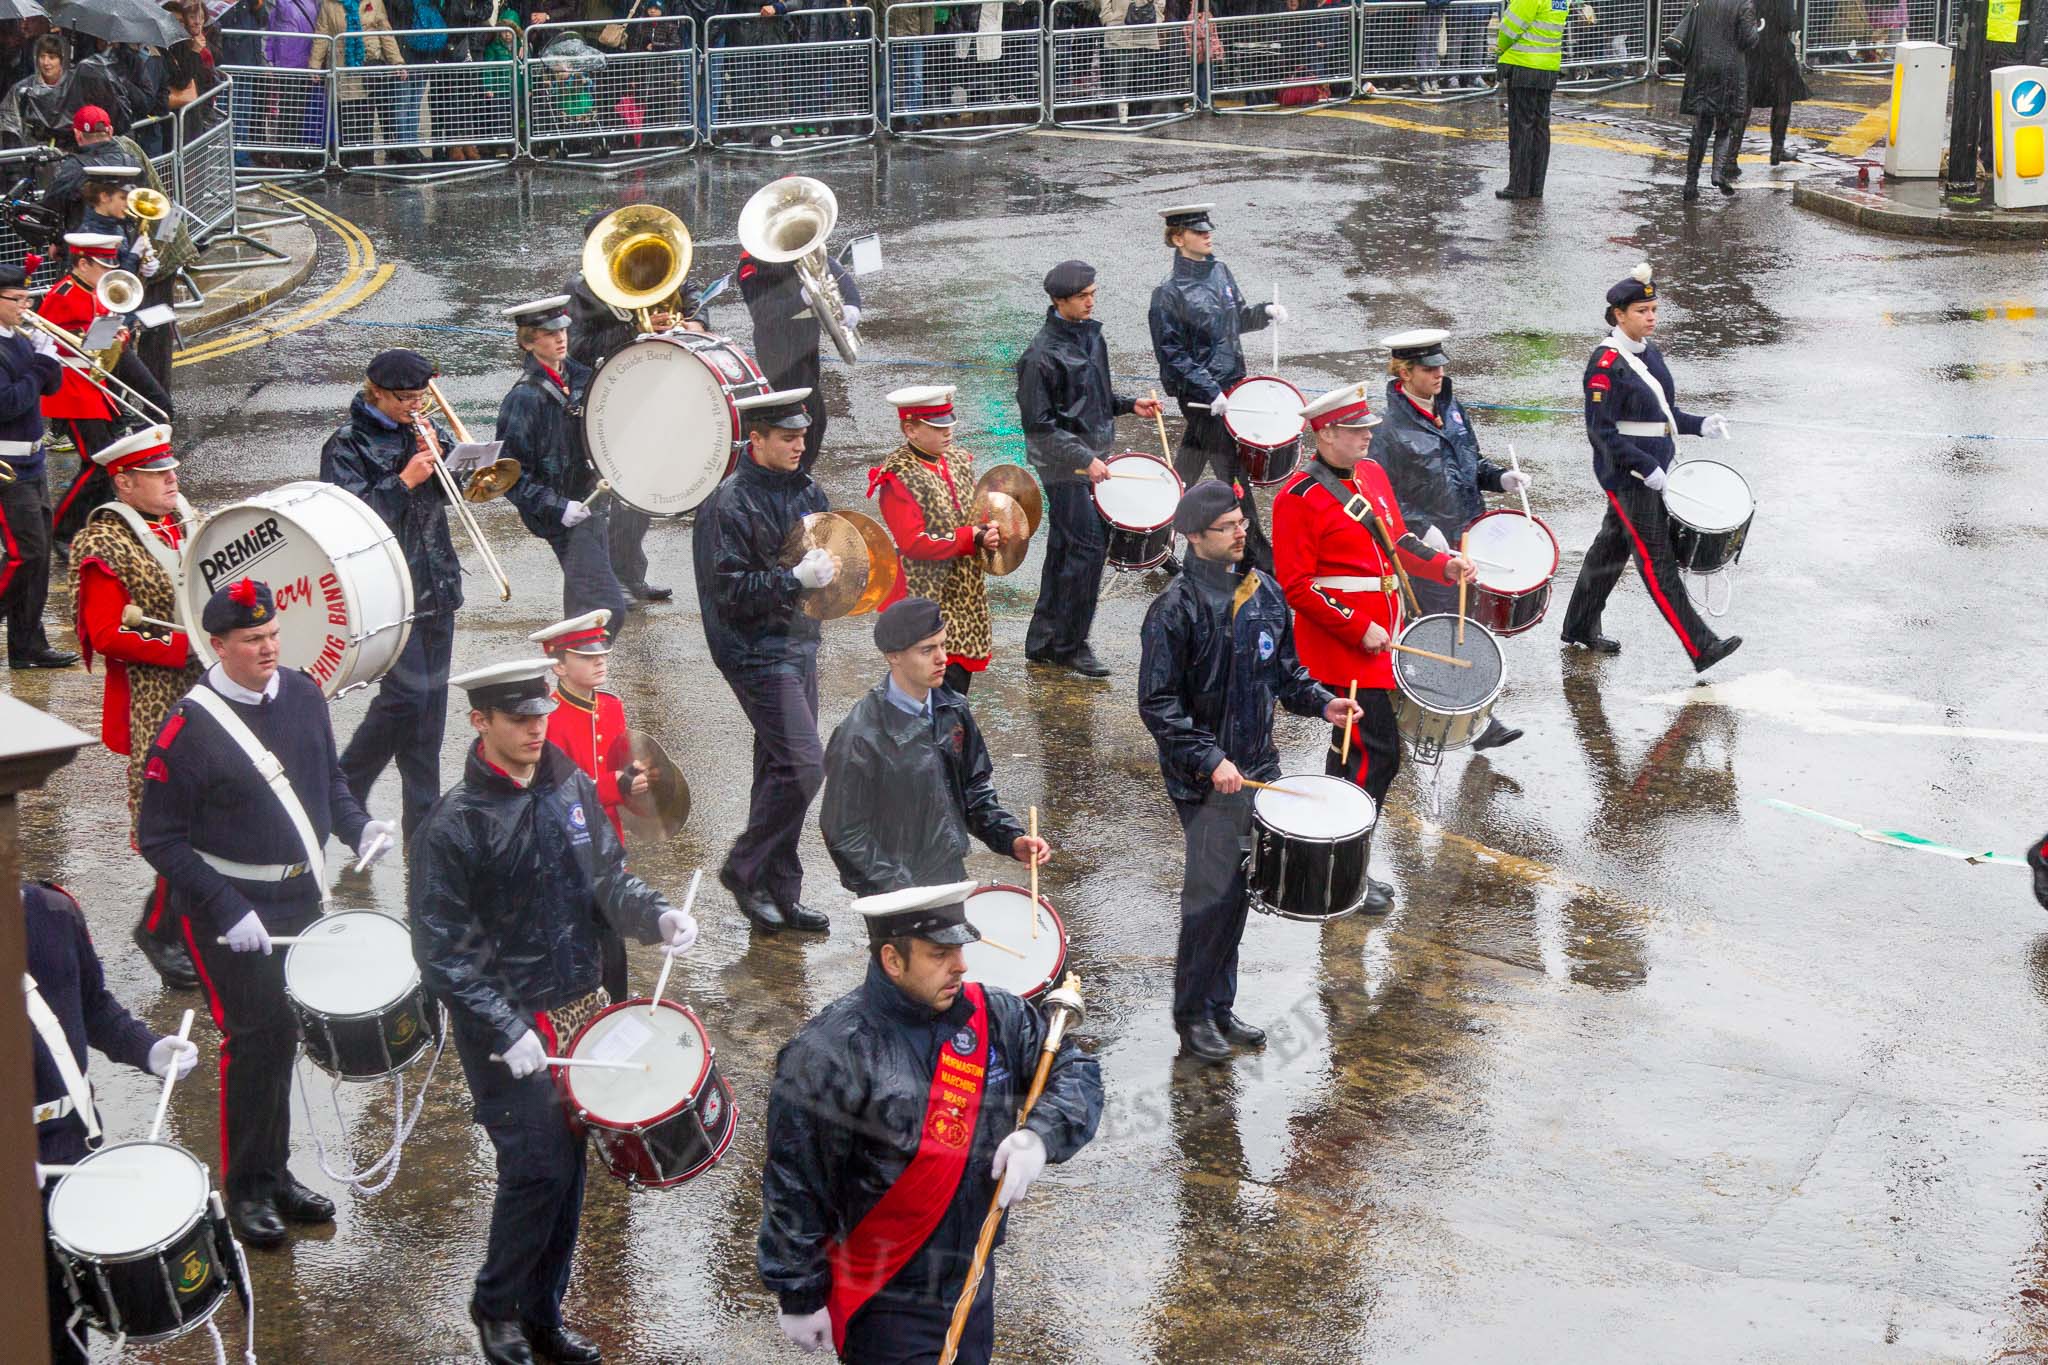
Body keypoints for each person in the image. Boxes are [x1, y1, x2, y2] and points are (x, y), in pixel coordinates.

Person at [411, 657, 698, 1365]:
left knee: (570, 1167)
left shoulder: (569, 783)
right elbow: (443, 949)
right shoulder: (451, 827)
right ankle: (497, 1306)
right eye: (519, 719)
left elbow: (605, 878)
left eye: (540, 715)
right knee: (534, 1164)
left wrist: (654, 913)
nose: (537, 728)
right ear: (480, 722)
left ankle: (543, 1312)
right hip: (506, 1021)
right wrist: (504, 1027)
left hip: (578, 1002)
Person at [137, 577, 396, 1249]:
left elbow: (327, 781)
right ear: (217, 645)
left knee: (284, 1034)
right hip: (229, 912)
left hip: (298, 896)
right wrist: (225, 904)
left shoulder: (305, 695)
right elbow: (159, 838)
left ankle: (275, 1172)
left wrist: (359, 826)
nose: (268, 648)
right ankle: (246, 1186)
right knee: (254, 1041)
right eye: (252, 640)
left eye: (273, 634)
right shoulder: (187, 729)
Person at [759, 881, 1104, 1364]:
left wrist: (1041, 1135)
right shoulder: (828, 1053)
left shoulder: (996, 1015)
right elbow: (795, 1182)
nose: (961, 965)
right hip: (887, 1296)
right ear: (892, 960)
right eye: (940, 954)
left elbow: (1074, 1069)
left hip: (972, 1274)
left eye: (960, 950)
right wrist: (798, 1292)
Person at [1140, 479, 1358, 1063]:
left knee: (1238, 892)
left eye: (1241, 521)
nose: (1241, 533)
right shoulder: (1173, 610)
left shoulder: (1263, 592)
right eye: (1227, 527)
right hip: (1205, 781)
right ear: (1191, 537)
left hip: (1260, 770)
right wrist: (1211, 760)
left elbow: (1285, 674)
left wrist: (1322, 702)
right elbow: (1158, 704)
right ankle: (1192, 1018)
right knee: (1211, 896)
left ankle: (1219, 1005)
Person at [1271, 382, 1475, 912]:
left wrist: (1441, 564)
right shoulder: (1299, 497)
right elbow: (1296, 585)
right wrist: (1357, 626)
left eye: (1367, 428)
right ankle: (1340, 876)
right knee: (1366, 759)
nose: (1367, 436)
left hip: (1383, 642)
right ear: (1327, 432)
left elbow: (1397, 541)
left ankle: (1342, 867)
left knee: (1368, 762)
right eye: (1357, 429)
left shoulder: (1374, 475)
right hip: (1343, 649)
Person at [26, 878, 198, 1365]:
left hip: (72, 1150)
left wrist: (146, 1047)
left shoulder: (54, 910)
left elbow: (91, 1004)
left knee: (70, 1312)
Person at [693, 388, 833, 936]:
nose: (800, 445)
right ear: (757, 439)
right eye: (788, 437)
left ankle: (779, 892)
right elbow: (728, 593)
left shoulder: (807, 489)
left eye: (802, 435)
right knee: (804, 764)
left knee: (778, 768)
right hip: (751, 648)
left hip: (799, 642)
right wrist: (792, 580)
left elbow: (825, 548)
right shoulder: (728, 504)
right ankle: (744, 866)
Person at [69, 426, 204, 989]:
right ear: (124, 483)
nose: (172, 478)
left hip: (211, 680)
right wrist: (184, 646)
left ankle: (187, 926)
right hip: (157, 695)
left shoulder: (187, 521)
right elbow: (106, 633)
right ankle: (158, 928)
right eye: (156, 473)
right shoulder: (105, 543)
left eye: (171, 468)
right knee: (176, 823)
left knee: (213, 812)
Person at [1558, 264, 1742, 673]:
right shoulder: (1605, 365)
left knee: (1610, 548)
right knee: (1656, 561)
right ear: (1619, 315)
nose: (1652, 316)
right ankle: (1702, 645)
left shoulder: (1649, 353)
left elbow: (1664, 414)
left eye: (1654, 309)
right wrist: (1644, 467)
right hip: (1629, 478)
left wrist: (1699, 425)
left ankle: (1578, 625)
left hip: (1655, 471)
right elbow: (1601, 433)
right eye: (1642, 310)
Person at [321, 348, 463, 841]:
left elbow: (455, 492)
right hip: (389, 591)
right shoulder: (346, 444)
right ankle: (342, 788)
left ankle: (422, 827)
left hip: (438, 583)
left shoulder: (422, 428)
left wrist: (459, 465)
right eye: (404, 398)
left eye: (420, 396)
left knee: (431, 717)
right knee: (407, 698)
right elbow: (347, 523)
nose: (414, 405)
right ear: (375, 392)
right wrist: (404, 481)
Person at [821, 596, 1046, 899]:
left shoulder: (953, 708)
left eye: (942, 645)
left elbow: (974, 791)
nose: (942, 658)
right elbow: (844, 834)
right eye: (927, 650)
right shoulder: (860, 736)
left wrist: (1012, 839)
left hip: (948, 874)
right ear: (894, 656)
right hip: (891, 892)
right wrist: (899, 889)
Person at [1373, 327, 1529, 751]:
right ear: (1404, 373)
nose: (1438, 374)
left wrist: (1498, 476)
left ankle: (1459, 715)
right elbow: (1380, 494)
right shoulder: (1387, 429)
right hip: (1427, 550)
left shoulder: (1453, 409)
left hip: (1466, 534)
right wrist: (1422, 530)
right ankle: (1466, 720)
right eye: (1428, 368)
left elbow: (1469, 460)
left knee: (1467, 623)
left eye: (1440, 366)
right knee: (1441, 630)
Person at [1017, 259, 1161, 678]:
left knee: (1065, 549)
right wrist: (1085, 459)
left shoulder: (1091, 338)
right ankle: (1069, 645)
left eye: (1092, 294)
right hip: (1064, 468)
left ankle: (1043, 641)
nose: (1091, 302)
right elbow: (1039, 428)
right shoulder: (1039, 357)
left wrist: (1128, 404)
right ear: (1060, 301)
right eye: (1083, 297)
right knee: (1086, 551)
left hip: (1092, 460)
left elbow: (1092, 396)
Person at [565, 253, 711, 606]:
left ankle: (631, 575)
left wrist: (693, 323)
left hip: (653, 386)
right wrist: (637, 328)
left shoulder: (652, 269)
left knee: (643, 492)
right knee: (621, 492)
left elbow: (692, 295)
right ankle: (614, 580)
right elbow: (579, 346)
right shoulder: (583, 288)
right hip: (612, 393)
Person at [1147, 203, 1283, 572]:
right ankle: (1258, 557)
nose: (1208, 234)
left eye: (1208, 229)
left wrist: (1263, 312)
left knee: (1189, 466)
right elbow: (1172, 354)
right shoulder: (1168, 294)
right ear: (1178, 239)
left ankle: (1155, 533)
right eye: (1198, 231)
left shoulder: (1220, 271)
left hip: (1231, 388)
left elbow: (1234, 319)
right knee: (1232, 471)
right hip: (1203, 399)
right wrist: (1210, 391)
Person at [494, 295, 629, 640]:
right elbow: (509, 475)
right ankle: (581, 673)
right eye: (548, 333)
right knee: (608, 608)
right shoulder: (523, 399)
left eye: (563, 329)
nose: (560, 338)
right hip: (564, 517)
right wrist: (558, 507)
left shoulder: (583, 377)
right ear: (528, 341)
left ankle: (579, 685)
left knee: (583, 611)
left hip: (593, 503)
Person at [533, 608, 650, 1002]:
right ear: (559, 666)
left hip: (607, 848)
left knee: (613, 952)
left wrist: (639, 785)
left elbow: (619, 772)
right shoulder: (549, 720)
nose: (599, 660)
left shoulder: (611, 706)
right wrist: (618, 786)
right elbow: (559, 794)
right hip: (568, 851)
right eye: (586, 656)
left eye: (601, 652)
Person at [45, 232, 172, 551]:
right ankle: (61, 529)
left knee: (107, 463)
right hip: (72, 389)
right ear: (83, 263)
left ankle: (92, 521)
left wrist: (120, 333)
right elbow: (51, 342)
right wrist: (100, 337)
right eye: (102, 265)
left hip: (93, 384)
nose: (108, 272)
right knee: (98, 463)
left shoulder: (97, 290)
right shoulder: (63, 293)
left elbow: (103, 334)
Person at [866, 385, 998, 693]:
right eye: (937, 427)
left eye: (949, 425)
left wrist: (989, 529)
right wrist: (970, 538)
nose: (947, 432)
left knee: (955, 692)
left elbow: (974, 510)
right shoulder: (898, 476)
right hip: (923, 597)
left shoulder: (956, 460)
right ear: (910, 429)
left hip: (964, 598)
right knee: (930, 694)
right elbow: (914, 542)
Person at [737, 241, 862, 476]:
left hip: (806, 340)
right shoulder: (750, 265)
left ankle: (796, 471)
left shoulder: (796, 249)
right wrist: (802, 299)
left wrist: (853, 304)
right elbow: (763, 314)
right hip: (778, 348)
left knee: (801, 414)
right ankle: (797, 474)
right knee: (813, 416)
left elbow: (832, 269)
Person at [0, 263, 71, 669]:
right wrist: (42, 364)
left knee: (40, 559)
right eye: (17, 300)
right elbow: (8, 402)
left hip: (31, 459)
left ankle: (28, 645)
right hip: (6, 464)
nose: (25, 307)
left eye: (27, 298)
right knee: (22, 555)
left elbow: (49, 387)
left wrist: (49, 357)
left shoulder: (19, 339)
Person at [1679, 0, 1757, 200]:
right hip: (1729, 69)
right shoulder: (1743, 3)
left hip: (1702, 64)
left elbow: (1688, 22)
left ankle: (1691, 183)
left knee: (1701, 126)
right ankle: (1717, 173)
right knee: (1725, 125)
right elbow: (1749, 39)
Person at [1494, 0, 1565, 199]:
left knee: (1521, 128)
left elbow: (1509, 28)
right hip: (1548, 67)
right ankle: (1535, 186)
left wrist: (1500, 51)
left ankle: (1518, 185)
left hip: (1524, 66)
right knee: (1540, 128)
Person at [1745, 0, 1807, 164]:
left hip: (1753, 51)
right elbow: (1791, 23)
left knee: (1745, 102)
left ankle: (1730, 157)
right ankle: (1777, 150)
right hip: (1778, 53)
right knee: (1783, 100)